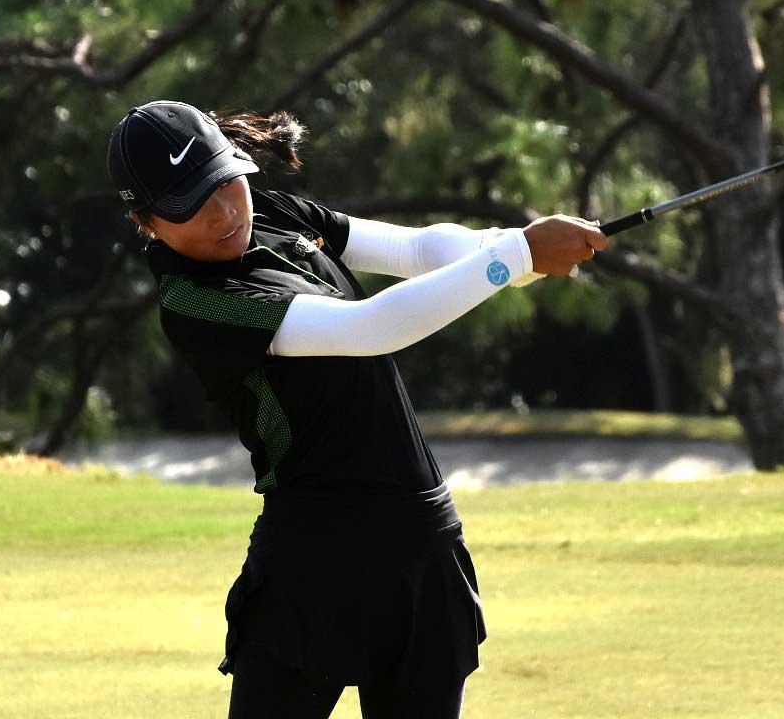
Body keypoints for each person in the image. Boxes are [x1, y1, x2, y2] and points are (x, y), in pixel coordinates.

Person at [105, 100, 608, 718]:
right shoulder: (197, 303)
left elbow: (420, 251)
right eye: (190, 205)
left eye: (225, 180)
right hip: (312, 558)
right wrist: (515, 258)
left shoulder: (274, 210)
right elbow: (372, 327)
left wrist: (504, 247)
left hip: (422, 539)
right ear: (148, 222)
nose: (225, 212)